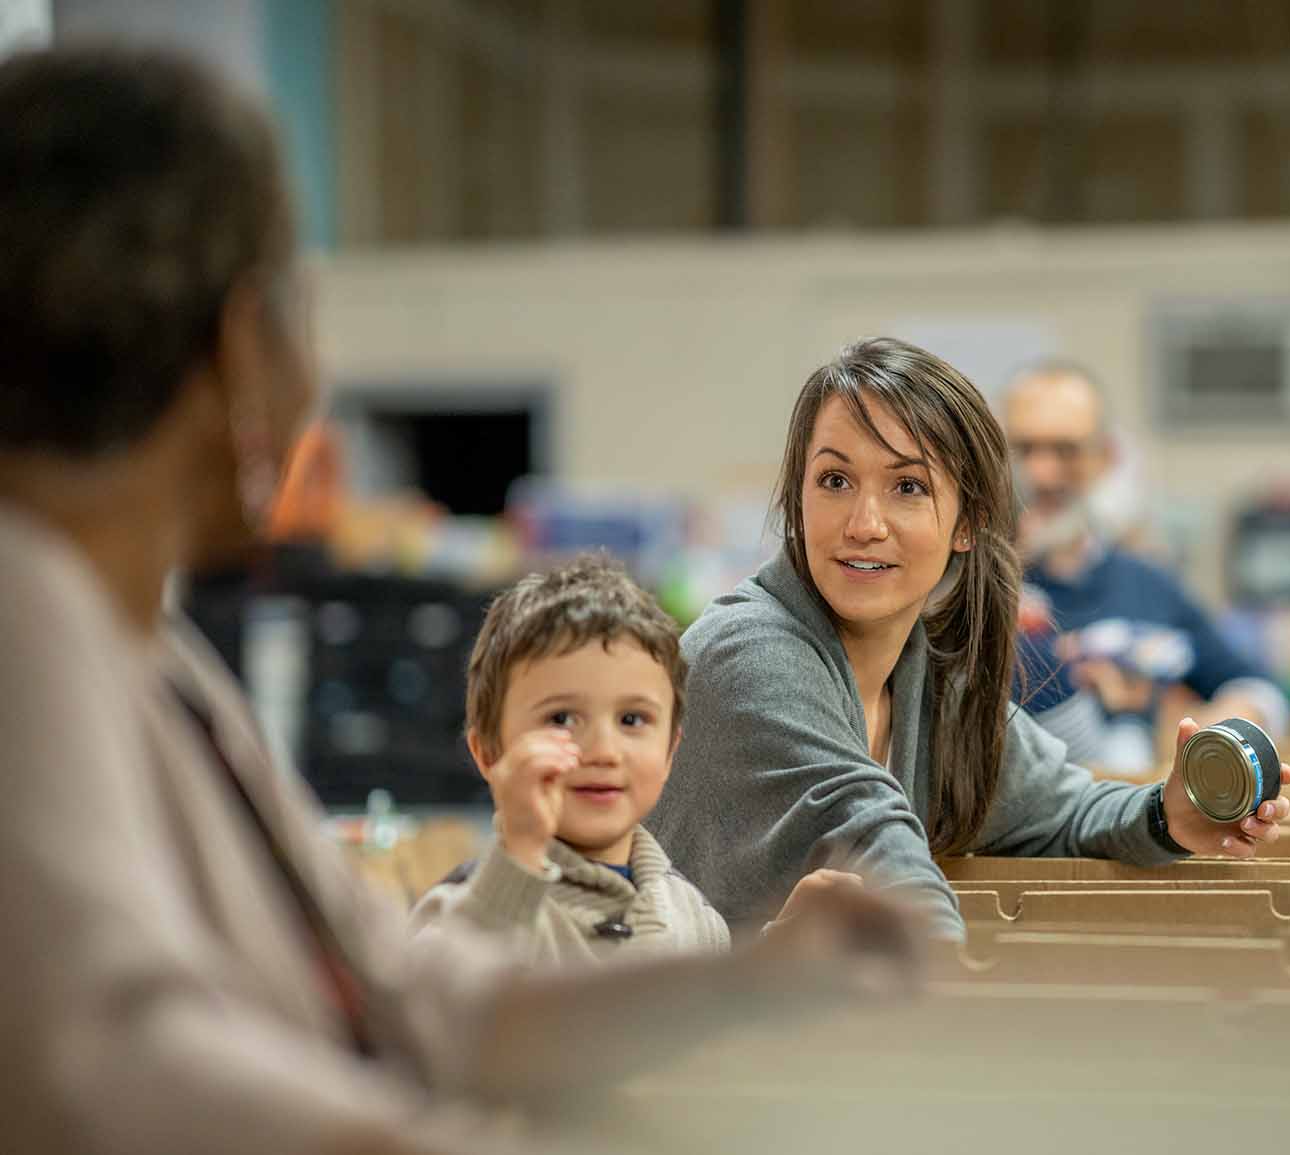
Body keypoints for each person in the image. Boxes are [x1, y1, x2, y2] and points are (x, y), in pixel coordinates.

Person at [0, 46, 915, 1155]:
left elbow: (415, 1003)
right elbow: (118, 1061)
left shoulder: (152, 654)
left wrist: (749, 989)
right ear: (244, 345)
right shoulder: (27, 611)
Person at [650, 338, 1290, 941]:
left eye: (907, 486)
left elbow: (1064, 809)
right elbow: (874, 838)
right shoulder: (751, 652)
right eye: (835, 480)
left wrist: (1169, 813)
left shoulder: (926, 675)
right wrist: (960, 991)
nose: (864, 523)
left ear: (969, 522)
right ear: (798, 497)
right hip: (664, 1045)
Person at [412, 553, 860, 961]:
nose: (604, 751)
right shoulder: (469, 907)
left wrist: (776, 958)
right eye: (562, 718)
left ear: (670, 751)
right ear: (489, 753)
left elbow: (702, 1035)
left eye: (632, 720)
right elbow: (431, 1009)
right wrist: (518, 861)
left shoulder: (693, 916)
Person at [1003, 360, 1290, 774]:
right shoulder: (957, 583)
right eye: (1024, 450)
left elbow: (1261, 687)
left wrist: (1229, 719)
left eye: (1065, 450)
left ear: (1105, 457)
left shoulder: (1147, 584)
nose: (1042, 474)